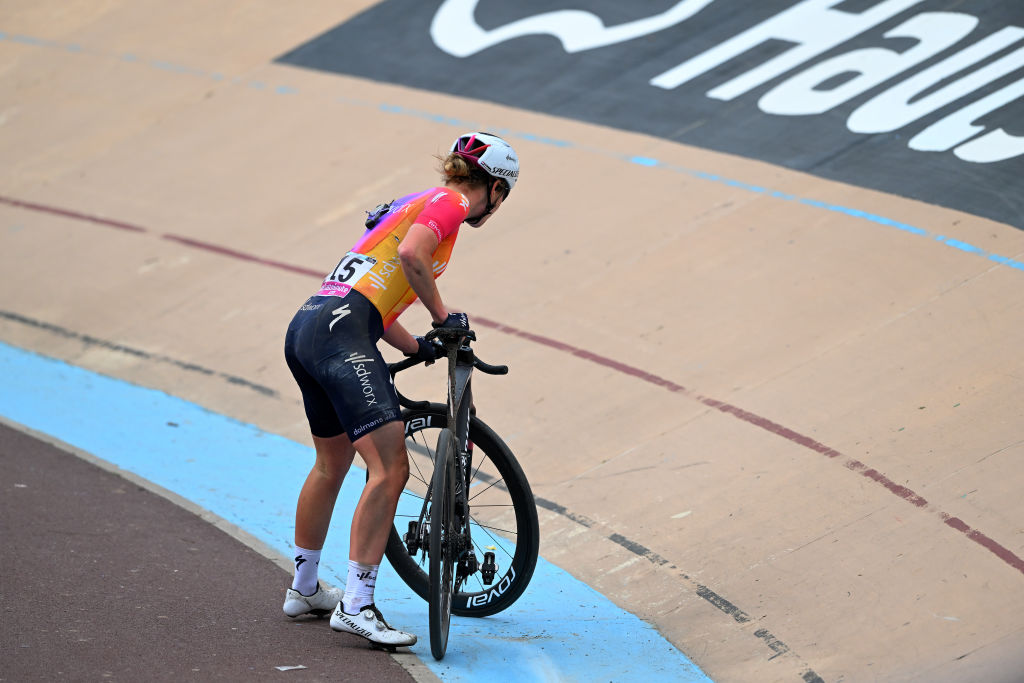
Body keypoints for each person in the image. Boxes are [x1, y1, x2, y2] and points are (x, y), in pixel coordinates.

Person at [279, 132, 519, 646]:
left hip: (310, 325)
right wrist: (443, 318)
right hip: (343, 331)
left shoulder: (413, 202)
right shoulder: (452, 203)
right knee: (390, 467)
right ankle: (358, 604)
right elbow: (413, 255)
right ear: (495, 189)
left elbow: (380, 298)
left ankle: (303, 587)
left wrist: (416, 347)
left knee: (331, 463)